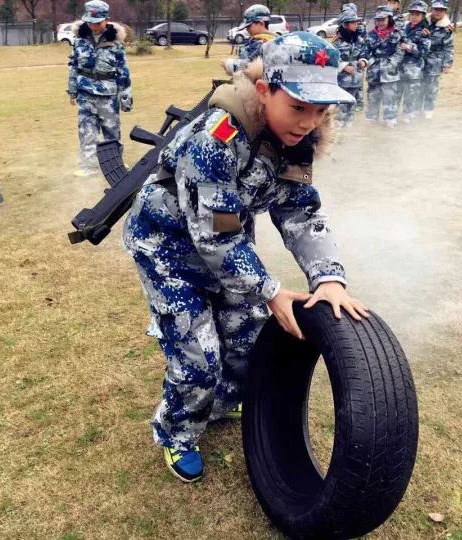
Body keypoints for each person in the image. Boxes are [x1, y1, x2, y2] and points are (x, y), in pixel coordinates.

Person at [123, 32, 368, 483]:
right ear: (264, 90)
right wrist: (270, 290)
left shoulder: (295, 139)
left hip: (227, 239)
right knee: (198, 358)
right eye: (298, 107)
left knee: (247, 339)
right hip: (167, 247)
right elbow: (215, 236)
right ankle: (177, 434)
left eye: (320, 111)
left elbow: (299, 211)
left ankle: (216, 405)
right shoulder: (215, 139)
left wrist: (328, 278)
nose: (308, 122)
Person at [67, 0, 132, 177]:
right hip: (85, 93)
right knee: (87, 131)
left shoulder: (116, 42)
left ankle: (116, 164)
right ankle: (89, 167)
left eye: (97, 22)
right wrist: (72, 90)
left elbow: (123, 71)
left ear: (106, 20)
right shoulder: (79, 41)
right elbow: (73, 66)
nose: (93, 26)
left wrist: (125, 96)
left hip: (108, 95)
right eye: (90, 22)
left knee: (111, 131)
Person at [358, 6, 405, 127]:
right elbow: (366, 50)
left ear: (389, 19)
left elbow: (401, 51)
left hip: (391, 70)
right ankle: (372, 117)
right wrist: (364, 61)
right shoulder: (371, 34)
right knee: (373, 95)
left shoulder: (398, 33)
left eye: (383, 19)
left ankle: (390, 118)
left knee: (390, 95)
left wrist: (393, 62)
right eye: (378, 20)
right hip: (374, 70)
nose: (380, 22)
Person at [398, 1, 431, 123]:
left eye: (417, 14)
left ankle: (408, 115)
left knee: (411, 94)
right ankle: (393, 116)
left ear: (423, 16)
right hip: (399, 66)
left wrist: (409, 47)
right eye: (412, 13)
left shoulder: (425, 31)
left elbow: (424, 51)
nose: (414, 16)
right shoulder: (404, 28)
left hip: (414, 69)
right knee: (397, 93)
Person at [333, 9, 366, 127]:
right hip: (342, 80)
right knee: (341, 103)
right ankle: (338, 124)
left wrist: (363, 61)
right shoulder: (336, 42)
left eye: (356, 22)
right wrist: (344, 66)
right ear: (344, 24)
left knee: (352, 102)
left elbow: (364, 54)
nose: (356, 25)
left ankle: (349, 124)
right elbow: (331, 58)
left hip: (356, 78)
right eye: (353, 22)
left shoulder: (359, 41)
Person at [422, 0, 454, 119]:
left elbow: (448, 47)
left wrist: (447, 64)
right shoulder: (423, 21)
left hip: (435, 61)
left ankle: (428, 110)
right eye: (436, 9)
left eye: (441, 10)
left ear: (445, 12)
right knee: (418, 85)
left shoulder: (447, 28)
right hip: (419, 59)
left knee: (431, 87)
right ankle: (417, 108)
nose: (438, 12)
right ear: (431, 10)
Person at [222, 4, 277, 74]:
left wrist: (228, 64)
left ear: (261, 23)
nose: (247, 29)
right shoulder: (276, 40)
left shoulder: (262, 43)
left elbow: (250, 66)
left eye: (249, 26)